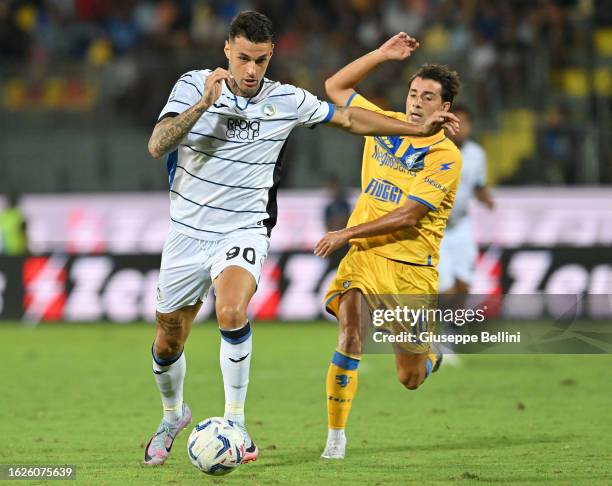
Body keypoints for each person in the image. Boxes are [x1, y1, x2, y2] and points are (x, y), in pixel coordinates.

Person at [143, 14, 459, 466]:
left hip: (244, 228)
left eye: (262, 60)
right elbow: (158, 145)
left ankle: (237, 424)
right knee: (168, 339)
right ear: (227, 51)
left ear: (271, 56)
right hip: (187, 231)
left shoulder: (286, 100)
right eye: (244, 59)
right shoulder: (193, 85)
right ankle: (172, 416)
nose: (252, 70)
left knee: (232, 310)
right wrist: (203, 106)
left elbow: (348, 117)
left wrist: (417, 130)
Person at [314, 33, 463, 459]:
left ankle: (428, 356)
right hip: (364, 257)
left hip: (409, 265)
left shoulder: (445, 156)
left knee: (410, 377)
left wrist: (345, 233)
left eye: (428, 97)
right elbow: (335, 89)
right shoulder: (385, 124)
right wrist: (380, 55)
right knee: (350, 337)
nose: (417, 102)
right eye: (414, 93)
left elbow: (410, 215)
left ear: (444, 108)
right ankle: (335, 441)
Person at [438, 104, 494, 295]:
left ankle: (453, 325)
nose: (460, 128)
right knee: (445, 286)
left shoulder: (476, 154)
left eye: (465, 123)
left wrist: (487, 200)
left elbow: (478, 185)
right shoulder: (434, 150)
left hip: (462, 224)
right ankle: (447, 323)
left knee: (464, 283)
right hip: (436, 227)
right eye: (455, 123)